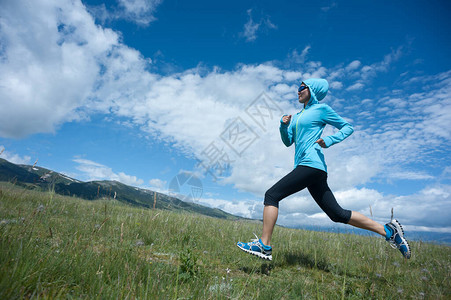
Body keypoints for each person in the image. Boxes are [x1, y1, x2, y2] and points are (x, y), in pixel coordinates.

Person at [236, 78, 411, 261]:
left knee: (271, 195)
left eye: (302, 87)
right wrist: (283, 126)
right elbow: (288, 142)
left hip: (311, 165)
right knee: (337, 214)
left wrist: (329, 141)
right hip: (310, 169)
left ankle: (264, 245)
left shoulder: (322, 109)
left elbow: (347, 127)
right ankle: (389, 232)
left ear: (312, 89)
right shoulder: (296, 116)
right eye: (298, 88)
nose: (298, 91)